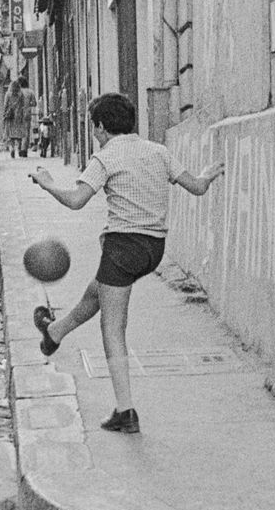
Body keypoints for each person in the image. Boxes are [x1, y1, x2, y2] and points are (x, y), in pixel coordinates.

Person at [29, 92, 224, 434]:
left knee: (113, 329)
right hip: (153, 250)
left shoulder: (105, 157)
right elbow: (196, 187)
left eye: (94, 127)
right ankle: (54, 333)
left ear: (102, 127)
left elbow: (76, 200)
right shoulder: (158, 151)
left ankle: (126, 411)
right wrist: (207, 175)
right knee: (97, 291)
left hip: (122, 248)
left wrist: (47, 186)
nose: (94, 133)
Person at [5, 74, 37, 157]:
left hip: (12, 115)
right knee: (24, 132)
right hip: (23, 114)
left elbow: (5, 105)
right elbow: (34, 103)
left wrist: (5, 114)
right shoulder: (30, 92)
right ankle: (23, 150)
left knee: (12, 132)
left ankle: (13, 148)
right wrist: (28, 105)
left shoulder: (12, 93)